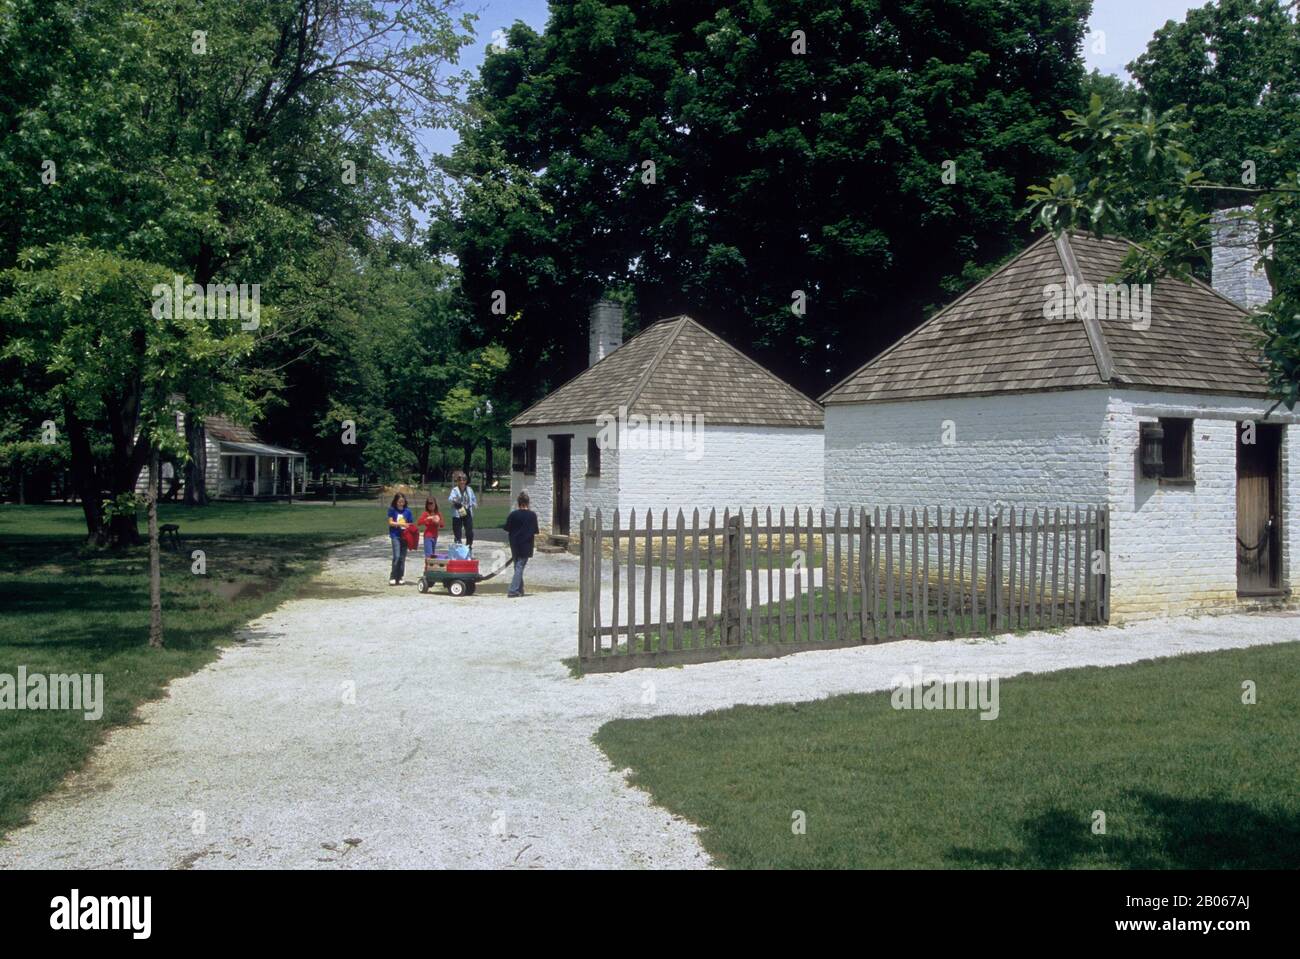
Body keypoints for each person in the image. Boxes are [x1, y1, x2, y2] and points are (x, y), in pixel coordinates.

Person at [503, 492, 539, 598]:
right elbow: (535, 531)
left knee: (517, 567)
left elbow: (507, 528)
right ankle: (513, 590)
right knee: (519, 567)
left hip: (514, 543)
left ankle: (519, 589)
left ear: (518, 503)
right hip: (526, 544)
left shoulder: (513, 515)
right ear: (528, 503)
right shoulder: (532, 515)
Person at [386, 493, 413, 585]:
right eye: (399, 501)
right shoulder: (392, 510)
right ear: (396, 502)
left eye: (402, 501)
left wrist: (409, 527)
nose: (401, 503)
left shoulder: (408, 511)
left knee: (402, 557)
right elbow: (390, 522)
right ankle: (393, 576)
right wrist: (401, 524)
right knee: (396, 556)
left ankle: (400, 576)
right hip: (395, 535)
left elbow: (410, 523)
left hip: (405, 536)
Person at [448, 471, 477, 553]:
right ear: (457, 481)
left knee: (469, 530)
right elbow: (450, 499)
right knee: (457, 530)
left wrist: (475, 503)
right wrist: (455, 501)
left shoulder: (469, 489)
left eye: (464, 480)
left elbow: (473, 498)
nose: (462, 482)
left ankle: (469, 546)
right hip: (458, 511)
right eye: (460, 480)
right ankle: (458, 545)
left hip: (467, 511)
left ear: (466, 481)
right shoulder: (455, 490)